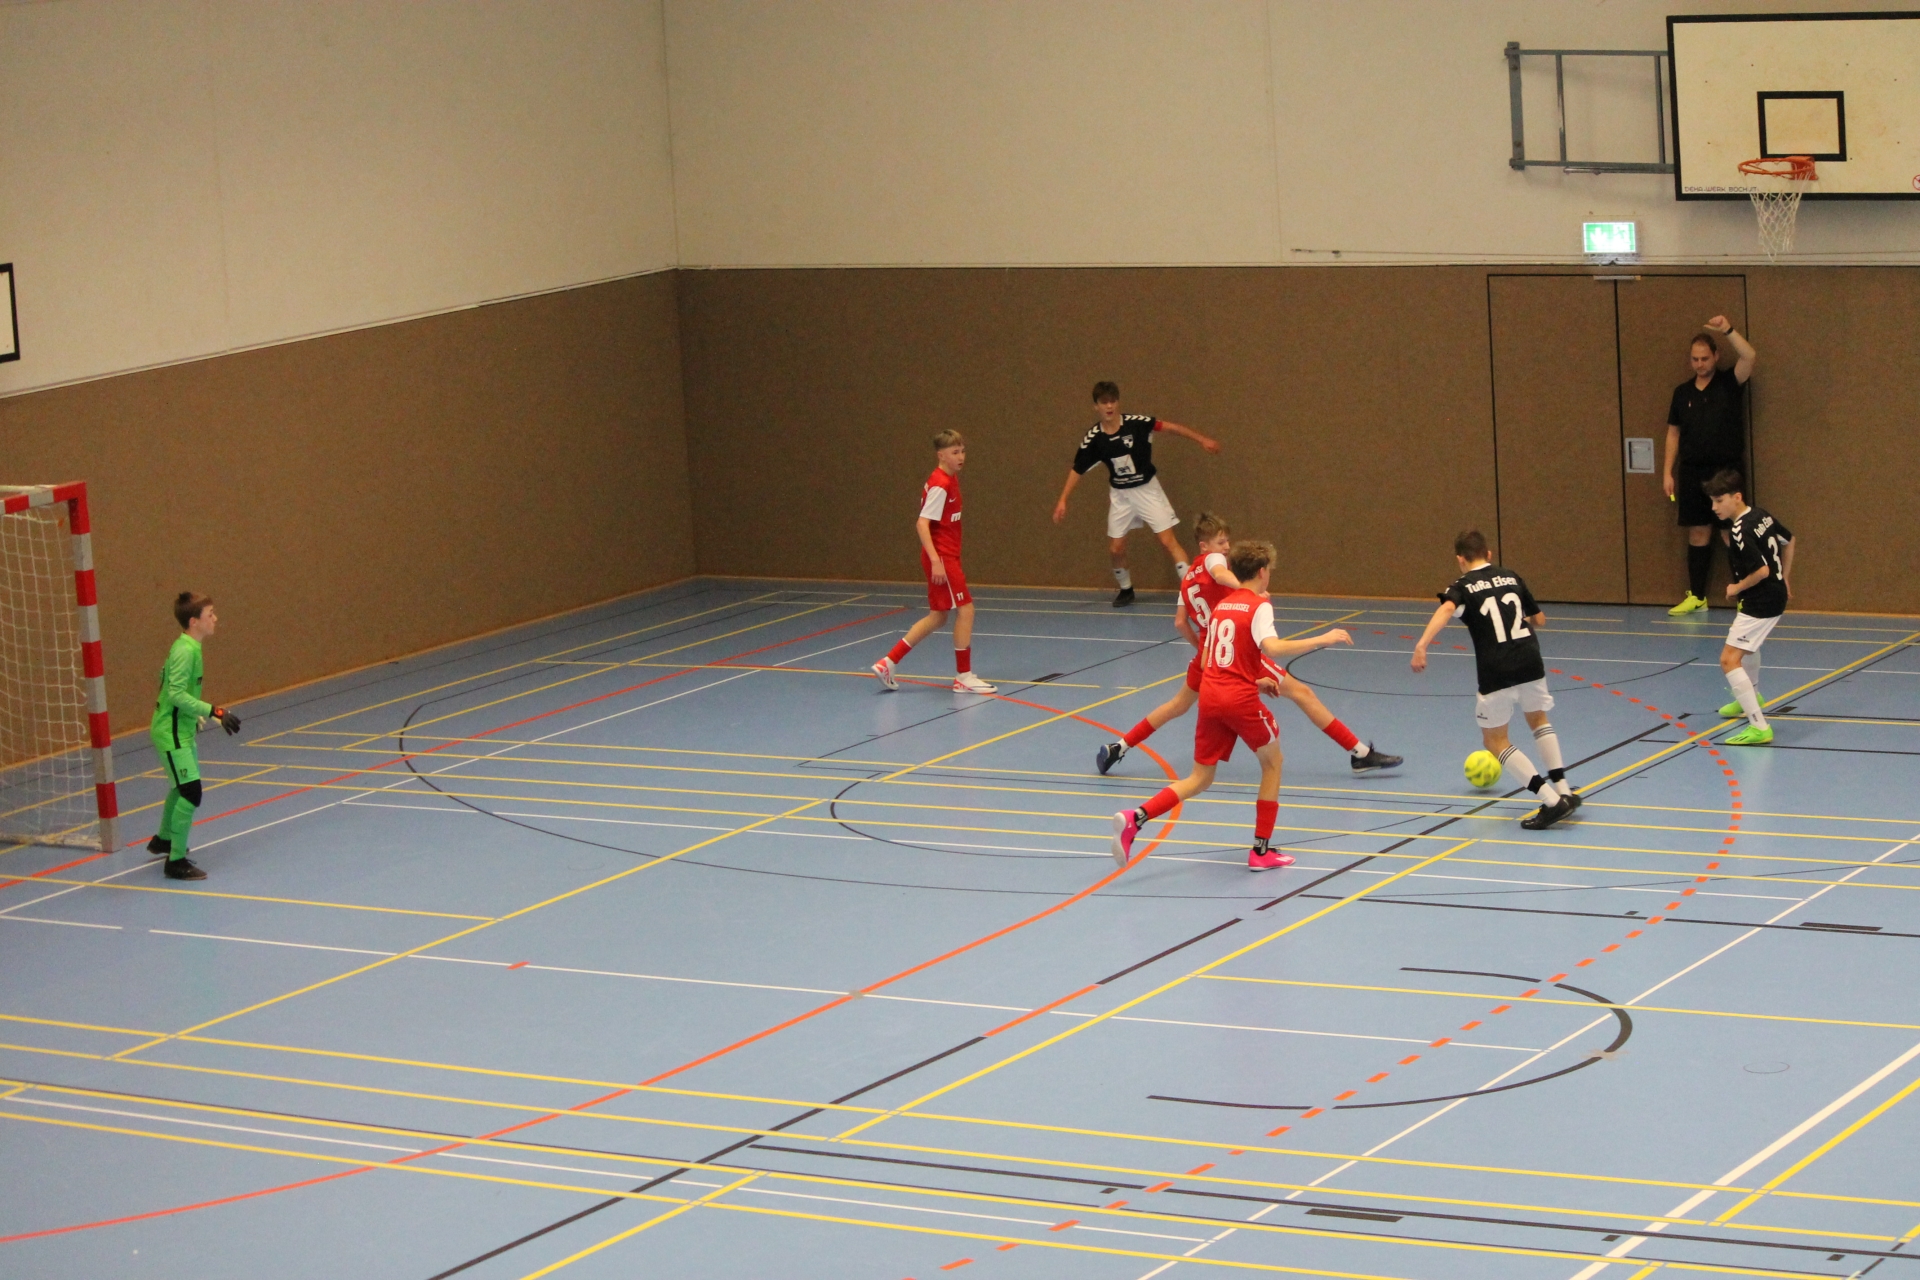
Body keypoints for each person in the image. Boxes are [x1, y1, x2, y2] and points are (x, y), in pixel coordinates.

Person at [1109, 540, 1355, 872]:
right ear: (1262, 572)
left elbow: (1209, 661)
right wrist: (1323, 638)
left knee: (1199, 778)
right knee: (1273, 763)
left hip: (1211, 695)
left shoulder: (1222, 606)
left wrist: (1254, 679)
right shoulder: (1259, 605)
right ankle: (1261, 851)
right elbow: (1273, 647)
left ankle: (1135, 817)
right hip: (1238, 699)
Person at [1096, 512, 1402, 777]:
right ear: (1204, 546)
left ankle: (1120, 746)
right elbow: (1220, 572)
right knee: (1303, 694)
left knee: (1176, 706)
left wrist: (1205, 650)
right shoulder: (1214, 563)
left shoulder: (1187, 578)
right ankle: (1359, 753)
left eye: (1227, 541)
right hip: (1236, 653)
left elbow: (1180, 623)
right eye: (1220, 542)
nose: (1226, 547)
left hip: (1209, 656)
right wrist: (1248, 591)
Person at [1411, 531, 1578, 831]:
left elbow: (1446, 609)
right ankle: (1564, 789)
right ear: (1488, 554)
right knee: (1538, 719)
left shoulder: (1462, 587)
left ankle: (1552, 801)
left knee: (1494, 740)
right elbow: (1540, 619)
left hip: (1497, 669)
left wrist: (1422, 644)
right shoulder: (1511, 576)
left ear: (1460, 559)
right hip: (1530, 659)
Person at [1052, 381, 1220, 607]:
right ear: (1096, 407)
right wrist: (1063, 499)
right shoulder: (1094, 438)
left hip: (1147, 490)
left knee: (1168, 541)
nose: (1109, 406)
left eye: (1113, 401)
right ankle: (1126, 589)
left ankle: (1191, 593)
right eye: (1104, 402)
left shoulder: (1136, 424)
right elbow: (1077, 469)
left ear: (1118, 403)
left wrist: (1201, 439)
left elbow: (1170, 427)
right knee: (1116, 548)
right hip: (1121, 496)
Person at [871, 430, 997, 694]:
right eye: (954, 452)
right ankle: (963, 676)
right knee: (966, 610)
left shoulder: (950, 479)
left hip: (946, 556)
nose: (961, 457)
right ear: (941, 455)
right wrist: (936, 561)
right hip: (942, 558)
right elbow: (922, 524)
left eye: (962, 451)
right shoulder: (940, 485)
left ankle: (888, 662)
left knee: (938, 617)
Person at [1664, 316, 1757, 616]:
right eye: (1695, 359)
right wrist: (1667, 472)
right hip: (1692, 473)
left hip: (1725, 471)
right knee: (1698, 533)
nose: (1700, 364)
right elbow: (1673, 433)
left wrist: (1727, 329)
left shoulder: (1730, 383)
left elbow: (1750, 356)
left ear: (1716, 356)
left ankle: (1744, 593)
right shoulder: (1682, 393)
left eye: (1705, 358)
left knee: (1731, 533)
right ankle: (1697, 596)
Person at [146, 592, 241, 880]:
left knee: (181, 787)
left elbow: (164, 678)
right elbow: (174, 693)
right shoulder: (185, 651)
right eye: (210, 614)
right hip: (172, 733)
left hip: (181, 729)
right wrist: (214, 712)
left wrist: (192, 714)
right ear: (194, 621)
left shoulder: (187, 647)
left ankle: (163, 840)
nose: (215, 618)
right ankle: (175, 862)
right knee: (190, 791)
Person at [1706, 469, 1795, 746]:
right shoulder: (1760, 515)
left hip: (1761, 600)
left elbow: (1762, 571)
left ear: (1737, 497)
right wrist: (1785, 579)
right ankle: (1750, 696)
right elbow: (1789, 540)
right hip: (1772, 595)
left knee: (1729, 660)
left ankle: (1759, 727)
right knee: (1749, 648)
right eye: (1712, 501)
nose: (1714, 507)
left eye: (1719, 501)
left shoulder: (1740, 530)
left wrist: (1736, 587)